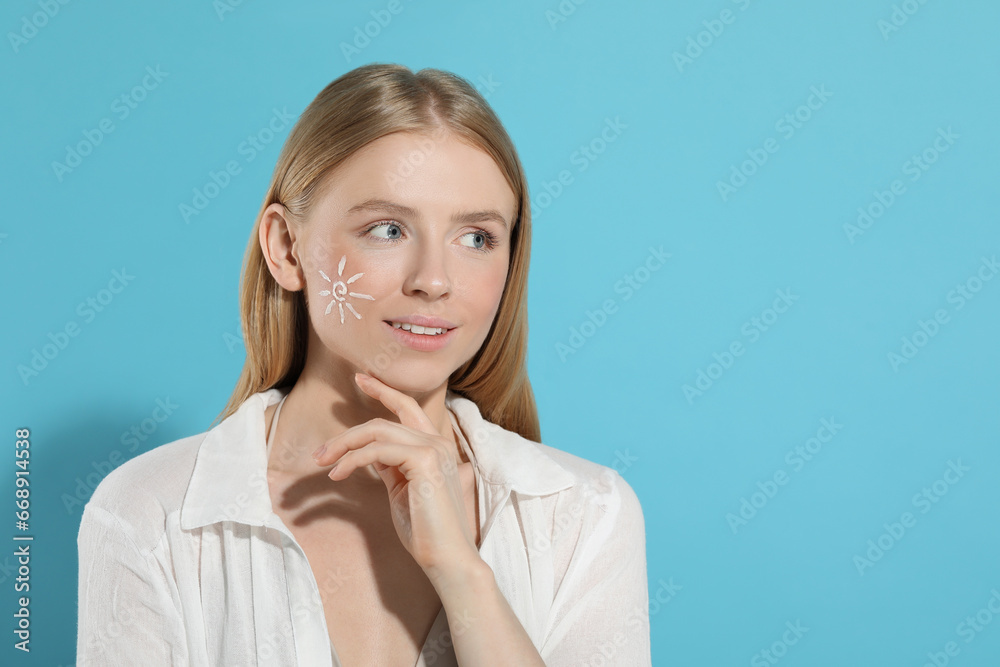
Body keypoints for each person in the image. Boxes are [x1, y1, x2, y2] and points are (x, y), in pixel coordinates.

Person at [76, 63, 651, 666]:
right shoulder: (149, 515)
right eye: (387, 229)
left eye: (477, 238)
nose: (433, 280)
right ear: (286, 248)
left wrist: (462, 573)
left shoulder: (587, 513)